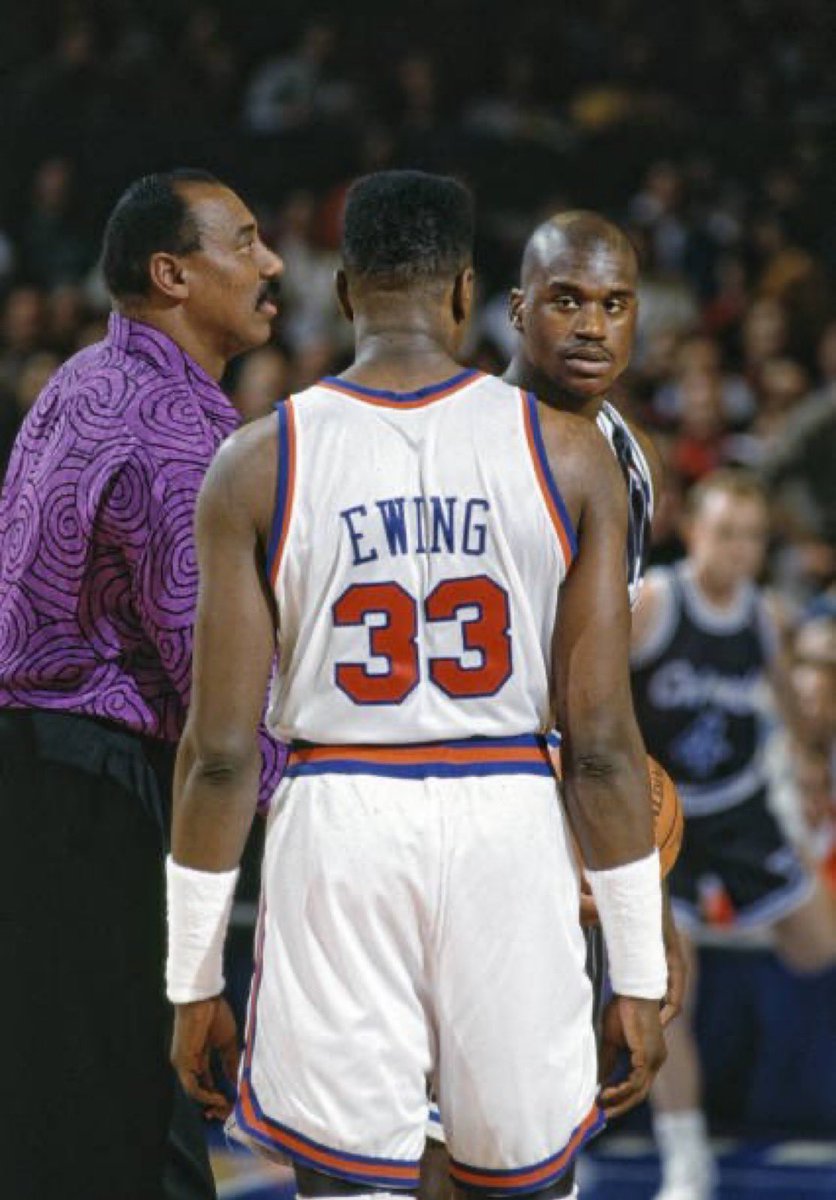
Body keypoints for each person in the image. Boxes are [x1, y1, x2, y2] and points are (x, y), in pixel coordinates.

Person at [166, 170, 668, 1200]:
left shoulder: (254, 462)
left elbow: (218, 758)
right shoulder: (571, 458)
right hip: (507, 817)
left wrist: (193, 983)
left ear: (345, 294)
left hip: (337, 822)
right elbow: (606, 747)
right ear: (466, 295)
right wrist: (640, 974)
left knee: (348, 1183)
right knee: (517, 1180)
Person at [0, 168, 283, 1200]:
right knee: (134, 1131)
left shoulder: (77, 378)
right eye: (244, 242)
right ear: (171, 273)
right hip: (103, 795)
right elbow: (214, 684)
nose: (272, 264)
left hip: (31, 780)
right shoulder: (179, 431)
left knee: (46, 1125)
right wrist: (321, 792)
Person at [420, 209, 686, 1195]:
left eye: (613, 305)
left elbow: (598, 710)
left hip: (539, 833)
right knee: (440, 1152)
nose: (590, 327)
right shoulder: (455, 449)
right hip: (444, 823)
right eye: (565, 300)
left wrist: (627, 883)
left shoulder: (622, 454)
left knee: (527, 1153)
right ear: (513, 310)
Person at [630, 469, 836, 1200]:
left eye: (752, 537)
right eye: (726, 534)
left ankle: (733, 923)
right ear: (694, 532)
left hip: (742, 805)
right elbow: (590, 689)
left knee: (821, 947)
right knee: (666, 997)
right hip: (665, 817)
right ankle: (687, 1159)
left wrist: (811, 765)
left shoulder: (762, 612)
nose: (740, 551)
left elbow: (783, 692)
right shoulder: (655, 601)